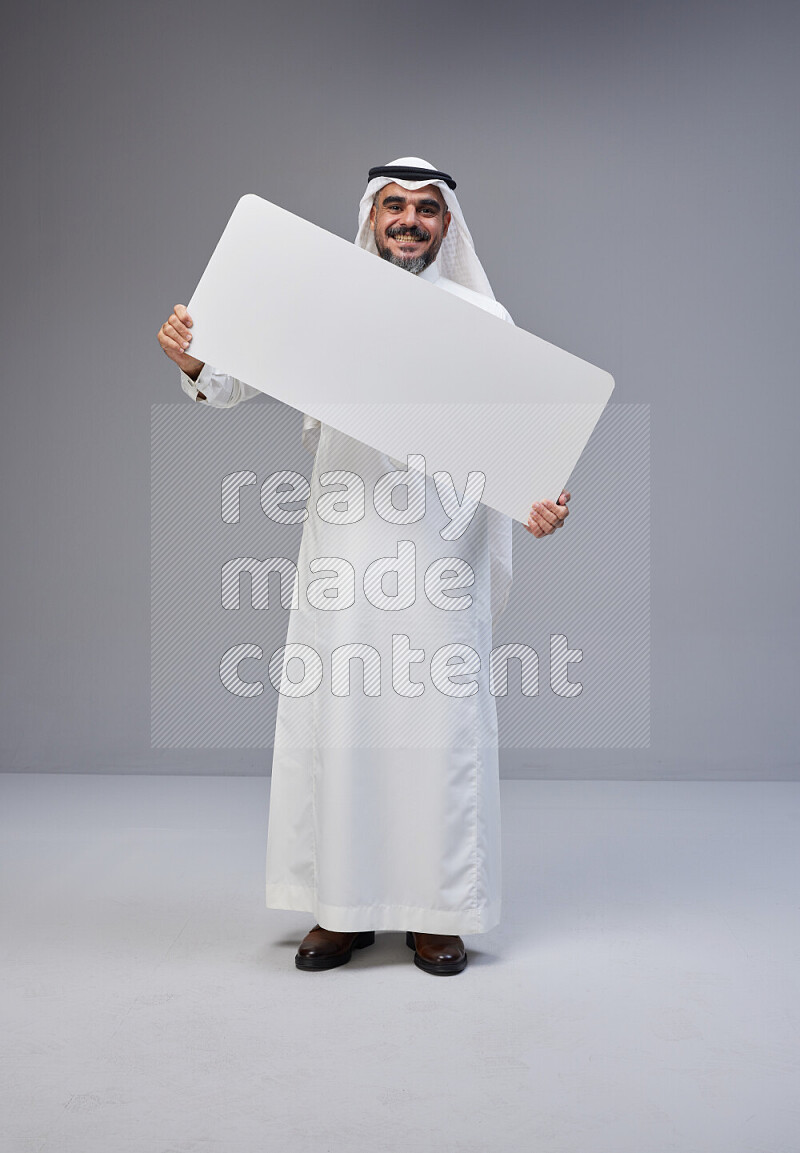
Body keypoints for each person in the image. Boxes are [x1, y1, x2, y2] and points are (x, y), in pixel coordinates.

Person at [157, 157, 570, 975]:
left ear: (447, 225)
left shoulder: (483, 316)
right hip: (346, 547)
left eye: (426, 208)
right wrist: (195, 361)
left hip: (438, 552)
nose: (410, 220)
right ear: (372, 215)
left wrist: (540, 498)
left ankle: (437, 913)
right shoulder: (326, 299)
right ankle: (341, 911)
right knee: (341, 726)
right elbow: (240, 378)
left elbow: (521, 438)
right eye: (394, 206)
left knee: (436, 730)